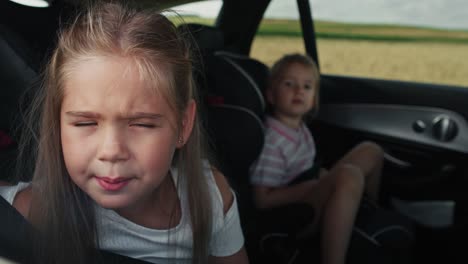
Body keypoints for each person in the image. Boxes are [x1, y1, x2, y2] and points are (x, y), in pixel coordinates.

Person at [0, 3, 248, 264]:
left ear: (183, 125)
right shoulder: (36, 211)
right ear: (57, 124)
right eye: (85, 123)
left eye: (142, 124)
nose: (112, 151)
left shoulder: (209, 198)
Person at [249, 53, 384, 264]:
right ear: (271, 95)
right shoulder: (272, 141)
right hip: (295, 216)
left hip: (311, 190)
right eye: (289, 84)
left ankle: (362, 212)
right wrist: (313, 186)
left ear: (314, 99)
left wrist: (320, 180)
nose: (298, 91)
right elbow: (262, 200)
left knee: (371, 150)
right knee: (348, 175)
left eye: (307, 86)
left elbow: (307, 169)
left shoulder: (299, 129)